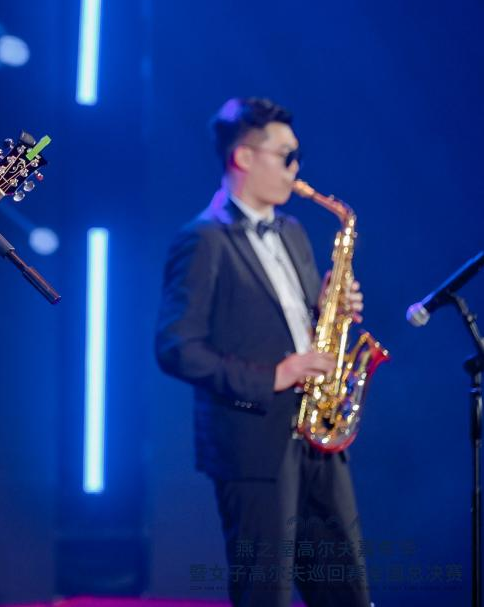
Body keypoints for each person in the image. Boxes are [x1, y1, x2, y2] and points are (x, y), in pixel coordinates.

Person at [155, 97, 370, 606]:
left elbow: (288, 324)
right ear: (244, 157)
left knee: (347, 591)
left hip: (317, 433)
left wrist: (328, 309)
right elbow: (175, 347)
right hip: (253, 442)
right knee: (264, 593)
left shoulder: (292, 231)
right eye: (286, 156)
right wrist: (274, 375)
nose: (297, 169)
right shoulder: (202, 239)